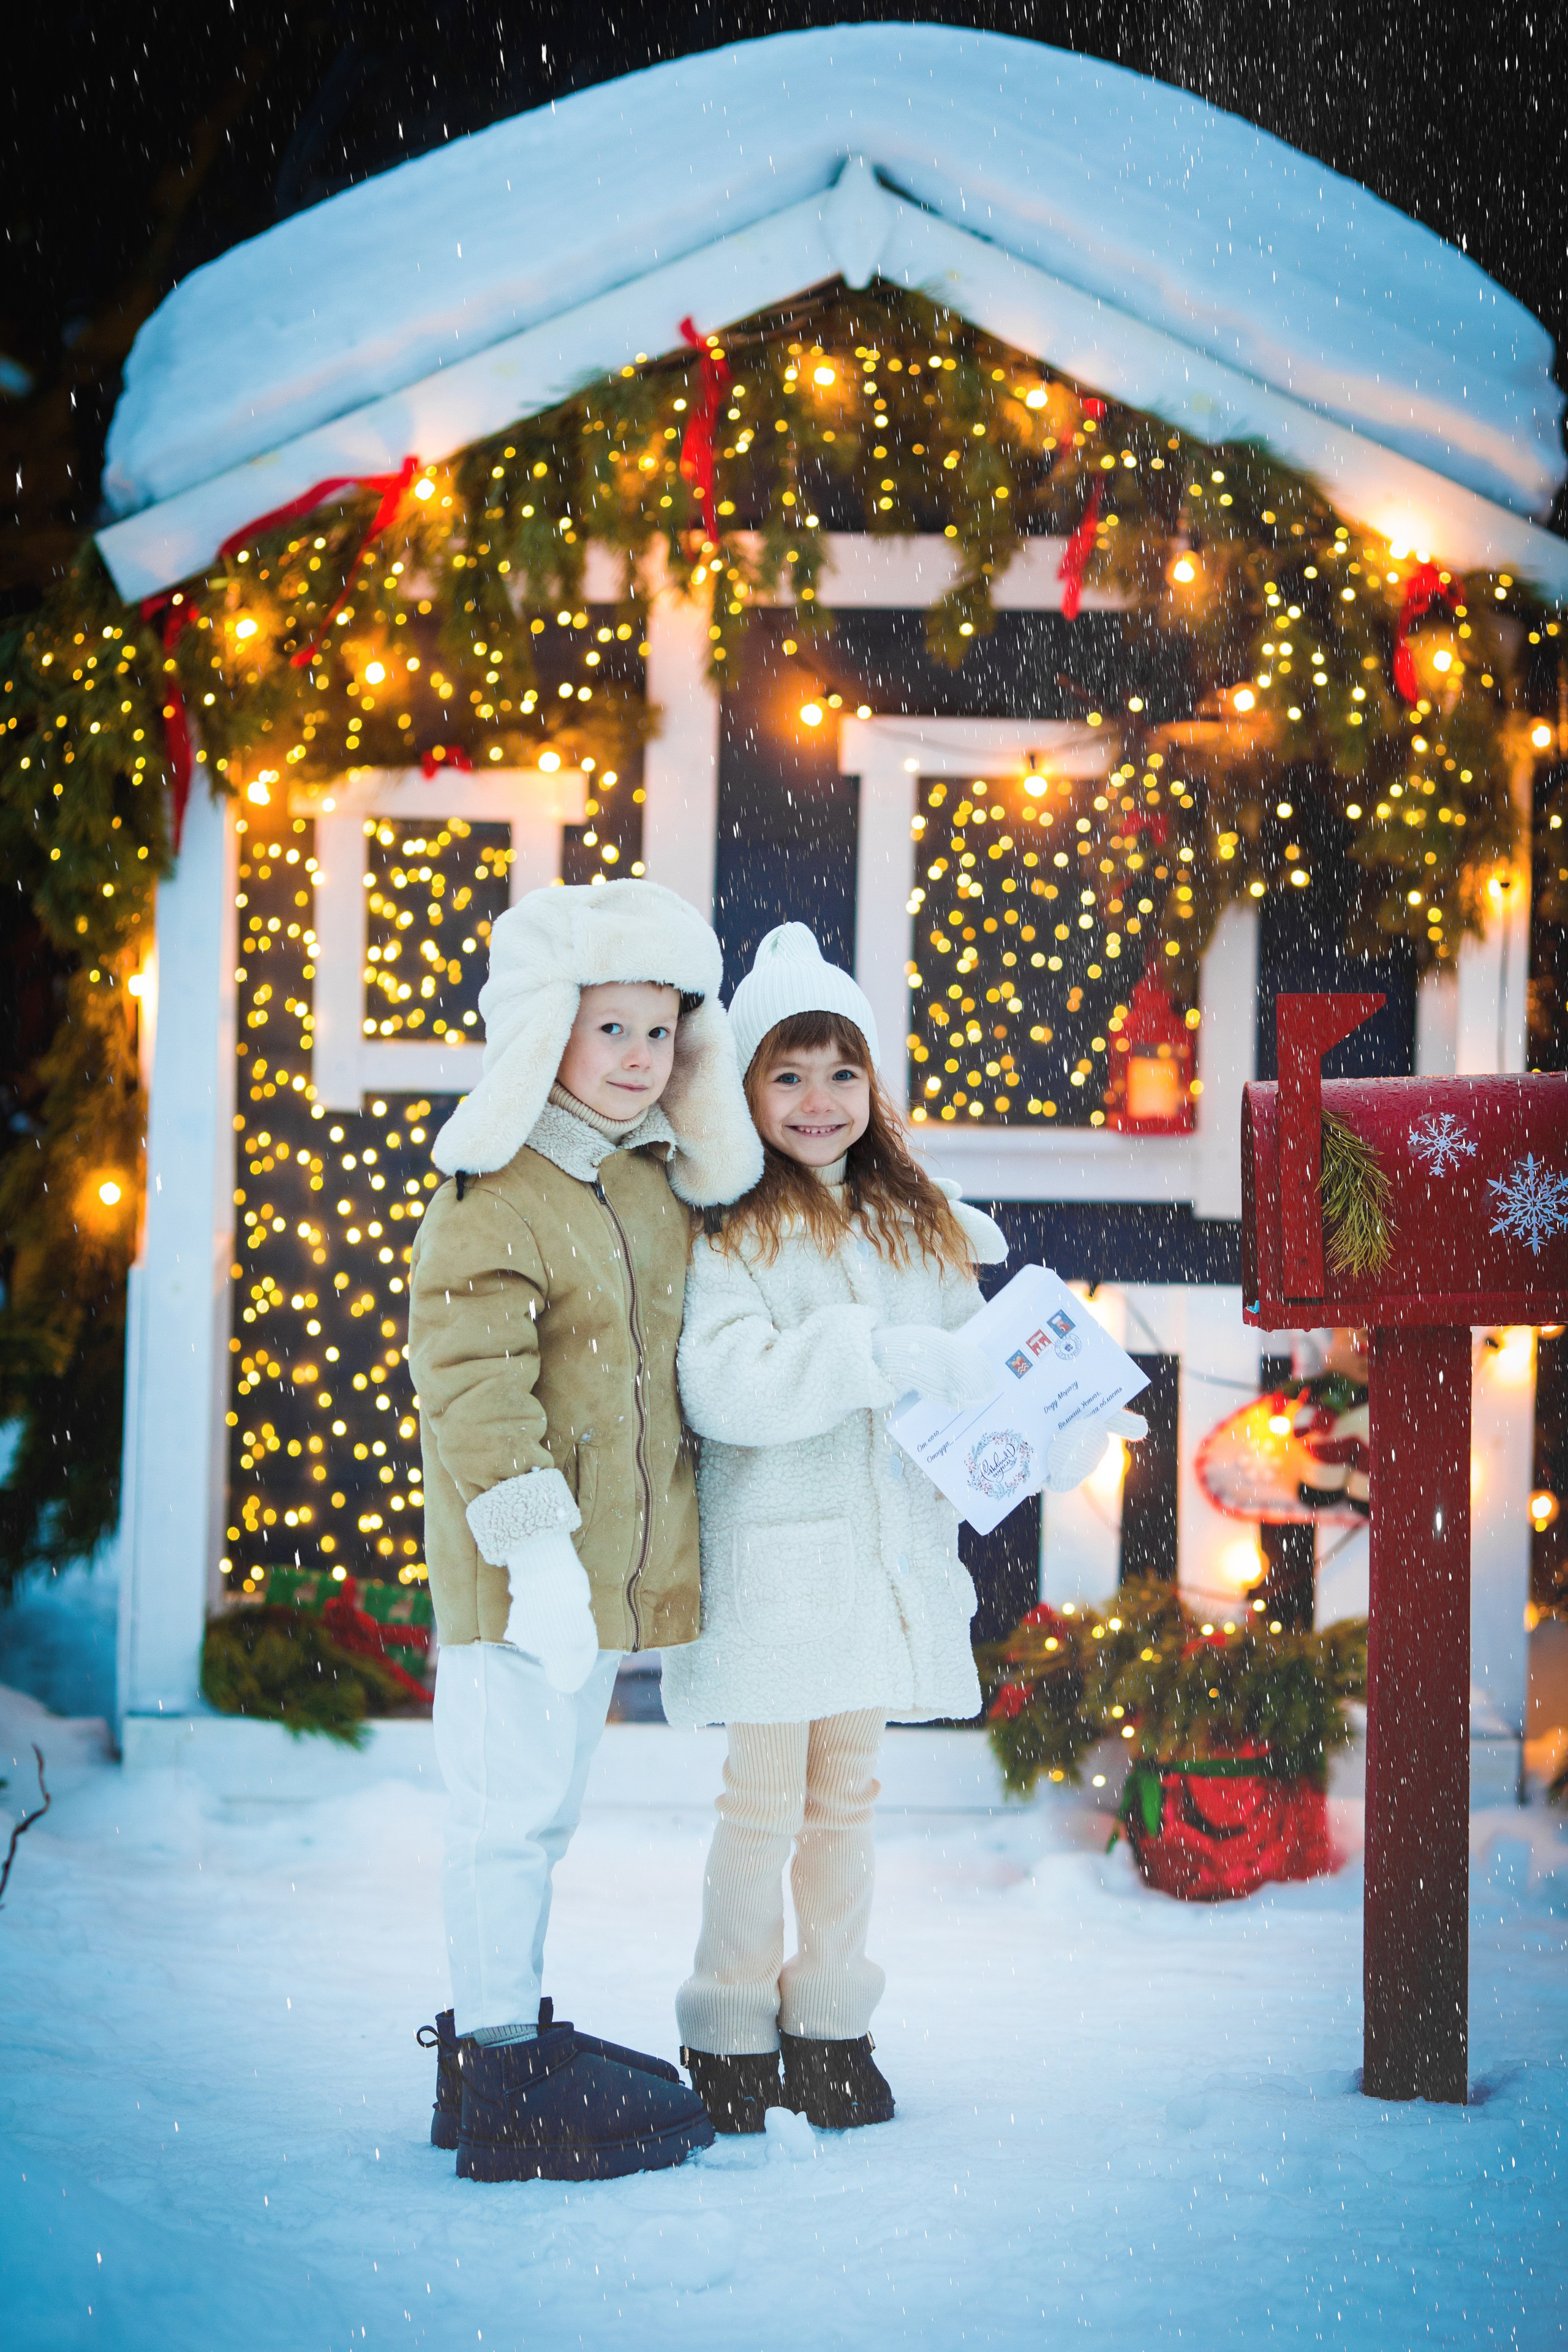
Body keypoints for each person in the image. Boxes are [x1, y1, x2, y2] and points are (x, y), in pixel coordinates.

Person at [662, 924, 1142, 2135]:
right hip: (778, 1572)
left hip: (880, 1568)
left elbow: (980, 1372)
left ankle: (830, 2025)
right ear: (746, 1090)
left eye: (840, 1072)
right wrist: (868, 1356)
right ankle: (725, 2026)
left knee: (847, 1802)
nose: (817, 1101)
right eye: (787, 1074)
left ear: (872, 1083)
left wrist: (1050, 1430)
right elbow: (721, 1384)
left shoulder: (918, 1228)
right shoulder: (729, 1228)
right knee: (758, 1804)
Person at [407, 878, 762, 2182]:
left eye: (659, 1035)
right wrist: (538, 1557)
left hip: (596, 1585)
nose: (636, 1061)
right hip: (520, 1585)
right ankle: (499, 2077)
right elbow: (469, 1386)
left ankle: (493, 2056)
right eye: (608, 1031)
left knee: (542, 1818)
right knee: (503, 1816)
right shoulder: (491, 1194)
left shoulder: (647, 1186)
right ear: (546, 1028)